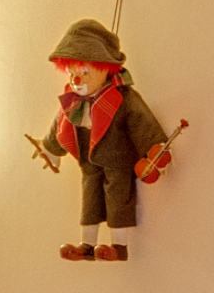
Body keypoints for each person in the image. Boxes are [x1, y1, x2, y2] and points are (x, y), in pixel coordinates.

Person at [39, 18, 172, 259]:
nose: (76, 79)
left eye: (84, 72)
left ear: (105, 68)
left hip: (117, 162)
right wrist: (50, 150)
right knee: (90, 201)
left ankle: (119, 247)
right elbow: (59, 125)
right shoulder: (73, 102)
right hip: (89, 163)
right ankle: (87, 246)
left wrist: (155, 148)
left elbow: (141, 121)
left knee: (118, 199)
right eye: (72, 73)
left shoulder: (123, 97)